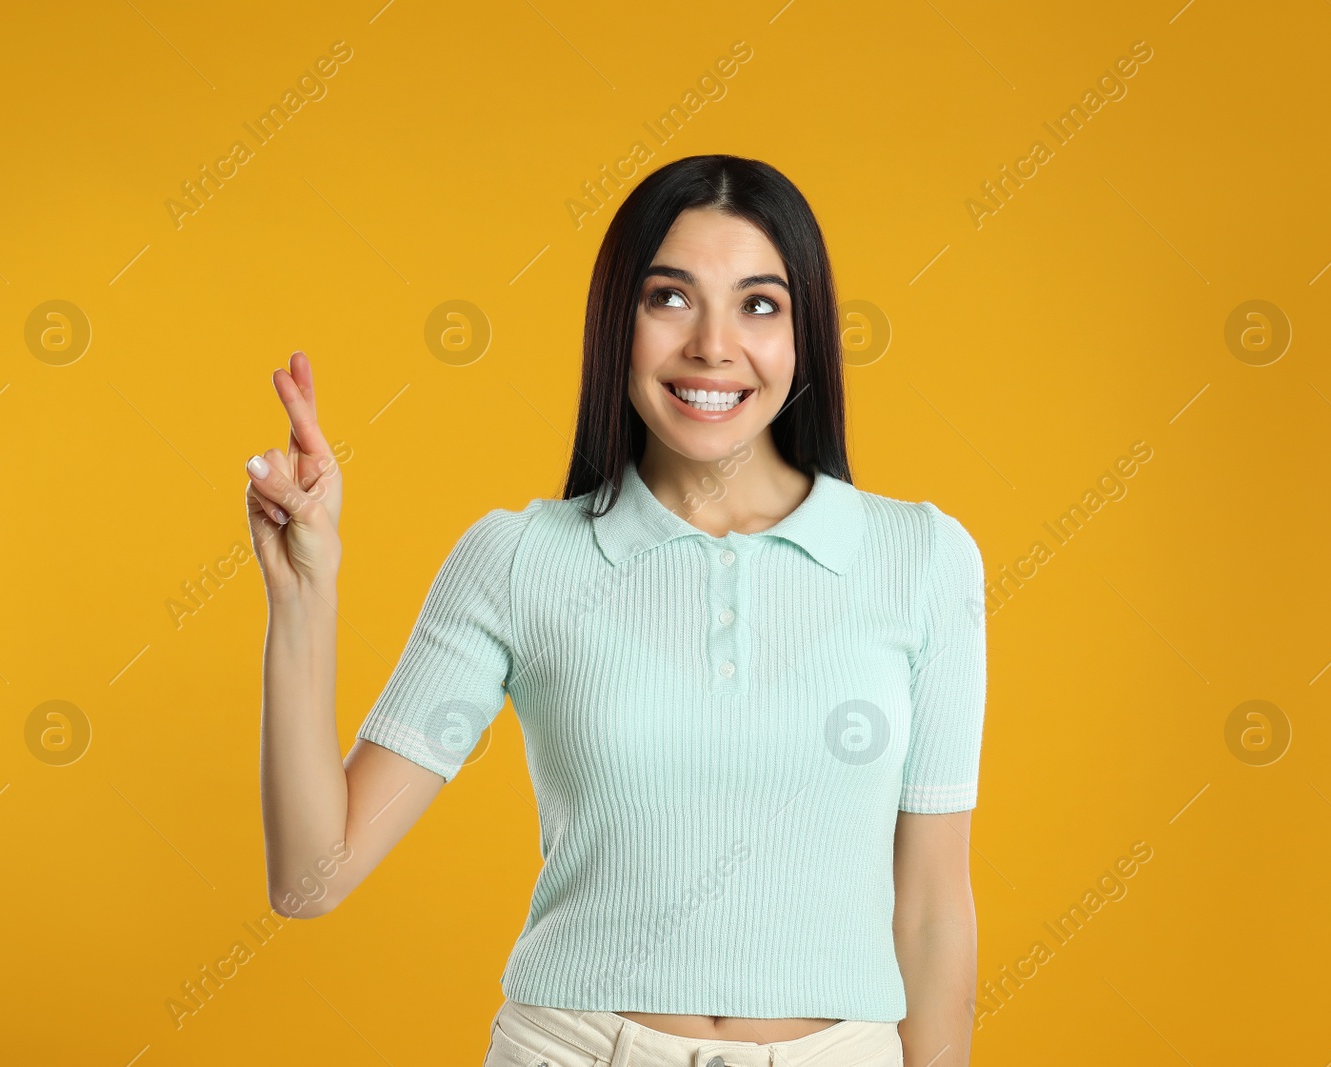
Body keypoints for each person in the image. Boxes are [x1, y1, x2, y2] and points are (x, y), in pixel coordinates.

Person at [248, 154, 988, 1067]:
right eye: (670, 297)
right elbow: (312, 877)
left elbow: (931, 914)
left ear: (805, 338)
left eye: (760, 303)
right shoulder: (521, 561)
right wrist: (303, 592)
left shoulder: (921, 560)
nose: (714, 345)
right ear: (617, 324)